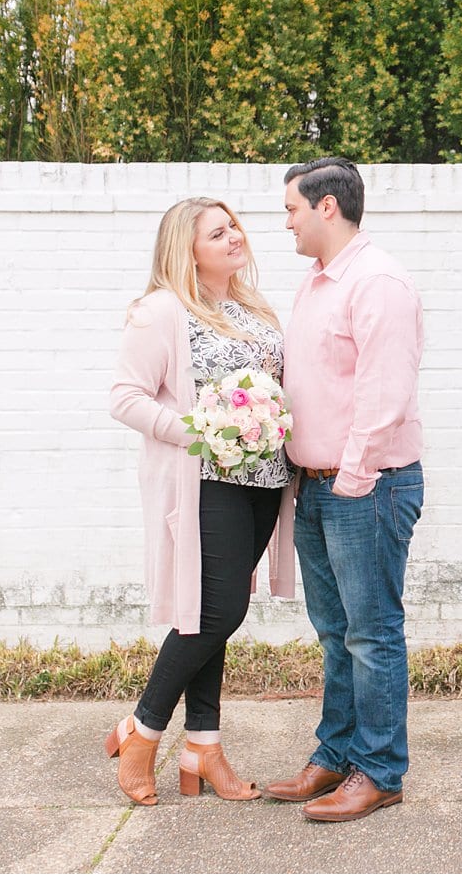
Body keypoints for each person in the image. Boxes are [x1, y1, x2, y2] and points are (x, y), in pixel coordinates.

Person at [107, 196, 296, 805]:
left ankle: (202, 748)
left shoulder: (252, 307)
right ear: (185, 250)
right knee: (212, 614)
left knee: (217, 611)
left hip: (264, 482)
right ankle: (142, 730)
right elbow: (125, 397)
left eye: (233, 225)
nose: (234, 236)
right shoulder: (161, 312)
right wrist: (200, 430)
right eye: (217, 232)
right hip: (206, 483)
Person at [263, 157, 425, 823]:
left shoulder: (376, 281)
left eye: (292, 210)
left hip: (366, 487)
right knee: (335, 631)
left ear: (327, 206)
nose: (287, 223)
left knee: (371, 633)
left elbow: (383, 393)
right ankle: (335, 754)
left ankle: (380, 771)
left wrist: (351, 480)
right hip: (316, 486)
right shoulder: (316, 282)